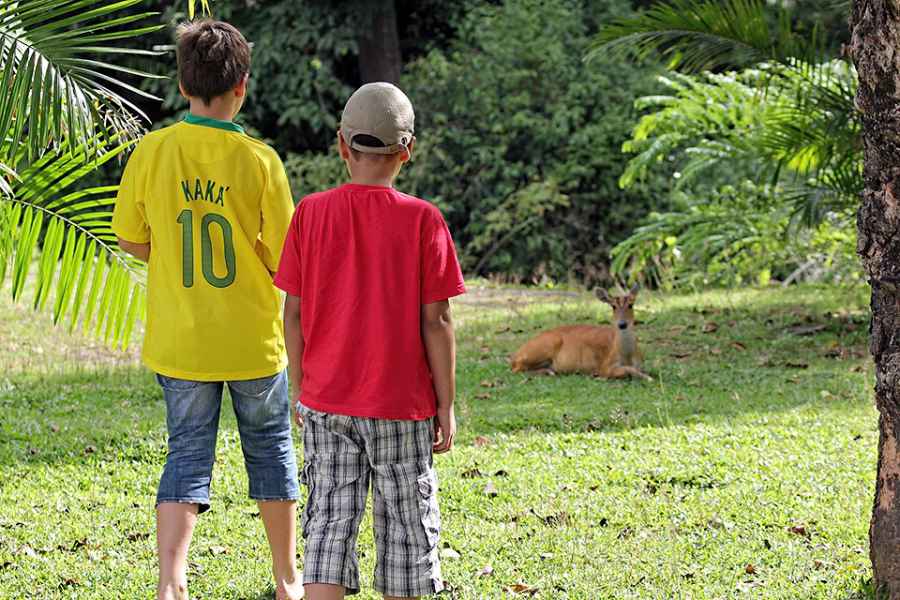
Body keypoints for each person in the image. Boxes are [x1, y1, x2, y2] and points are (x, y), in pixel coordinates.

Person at [112, 20, 302, 600]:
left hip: (182, 341)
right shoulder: (261, 160)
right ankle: (288, 580)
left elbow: (131, 237)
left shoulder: (152, 150)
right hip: (252, 340)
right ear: (242, 86)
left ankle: (172, 585)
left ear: (182, 84)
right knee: (270, 451)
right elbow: (286, 258)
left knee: (187, 454)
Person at [274, 82, 465, 599]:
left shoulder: (310, 213)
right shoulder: (424, 219)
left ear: (342, 144)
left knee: (328, 527)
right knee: (407, 531)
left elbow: (293, 312)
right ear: (408, 150)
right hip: (401, 407)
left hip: (327, 402)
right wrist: (445, 404)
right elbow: (438, 322)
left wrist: (301, 387)